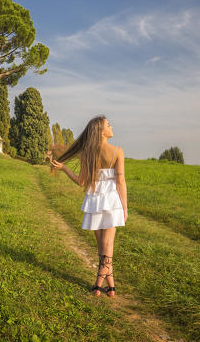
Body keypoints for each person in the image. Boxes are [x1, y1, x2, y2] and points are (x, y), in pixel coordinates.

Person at [49, 116, 128, 297]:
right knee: (108, 245)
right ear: (101, 131)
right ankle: (99, 284)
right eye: (108, 125)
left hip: (94, 200)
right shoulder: (117, 151)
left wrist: (64, 168)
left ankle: (108, 285)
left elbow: (81, 181)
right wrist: (125, 207)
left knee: (102, 246)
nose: (111, 126)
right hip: (111, 201)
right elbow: (120, 182)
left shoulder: (87, 154)